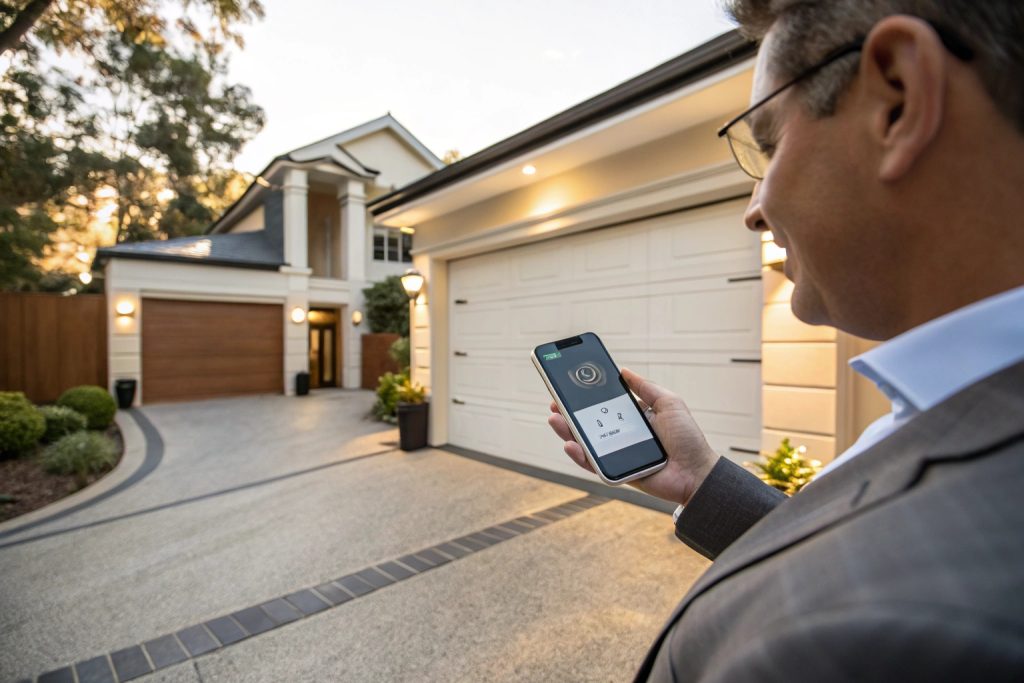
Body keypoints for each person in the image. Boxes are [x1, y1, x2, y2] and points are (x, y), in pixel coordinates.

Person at [547, 1, 1024, 680]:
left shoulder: (926, 632)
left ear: (899, 97)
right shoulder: (959, 401)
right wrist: (703, 480)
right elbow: (849, 556)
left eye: (766, 144)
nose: (753, 208)